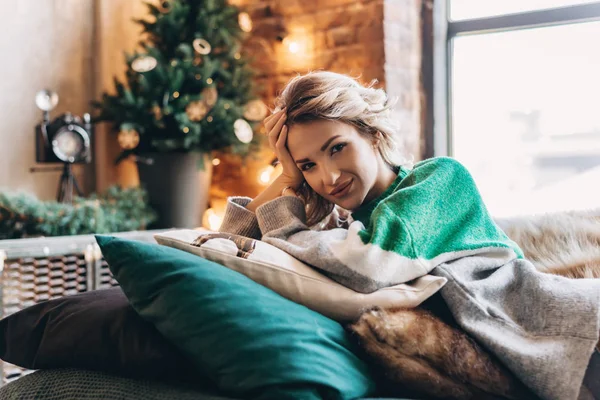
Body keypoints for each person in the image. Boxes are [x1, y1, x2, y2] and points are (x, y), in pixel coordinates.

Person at [219, 71, 600, 400]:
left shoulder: (439, 180)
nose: (329, 177)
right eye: (309, 165)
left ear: (370, 133)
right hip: (544, 353)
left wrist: (286, 223)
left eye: (337, 148)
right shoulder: (339, 229)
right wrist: (284, 177)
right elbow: (228, 249)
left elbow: (370, 266)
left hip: (575, 330)